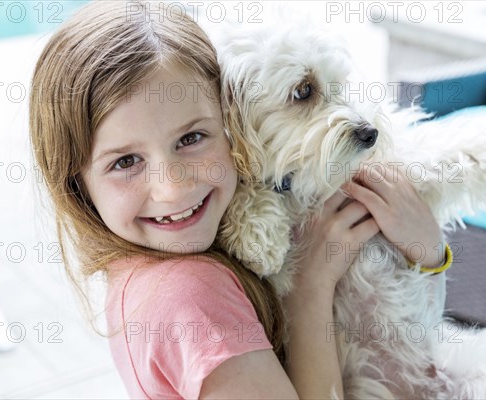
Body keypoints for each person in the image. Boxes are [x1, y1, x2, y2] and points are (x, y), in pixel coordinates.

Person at [28, 1, 448, 398]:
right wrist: (310, 289)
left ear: (234, 128)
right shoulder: (191, 295)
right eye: (126, 162)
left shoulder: (163, 258)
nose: (173, 187)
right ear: (76, 181)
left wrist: (429, 253)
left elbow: (413, 343)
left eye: (191, 138)